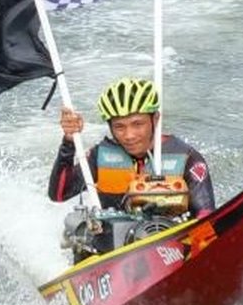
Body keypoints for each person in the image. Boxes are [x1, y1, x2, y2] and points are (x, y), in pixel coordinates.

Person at [47, 78, 216, 254]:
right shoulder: (100, 156)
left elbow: (206, 217)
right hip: (108, 254)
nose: (129, 135)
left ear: (155, 119)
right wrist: (69, 142)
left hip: (170, 250)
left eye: (138, 124)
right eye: (119, 127)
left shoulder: (188, 158)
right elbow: (58, 194)